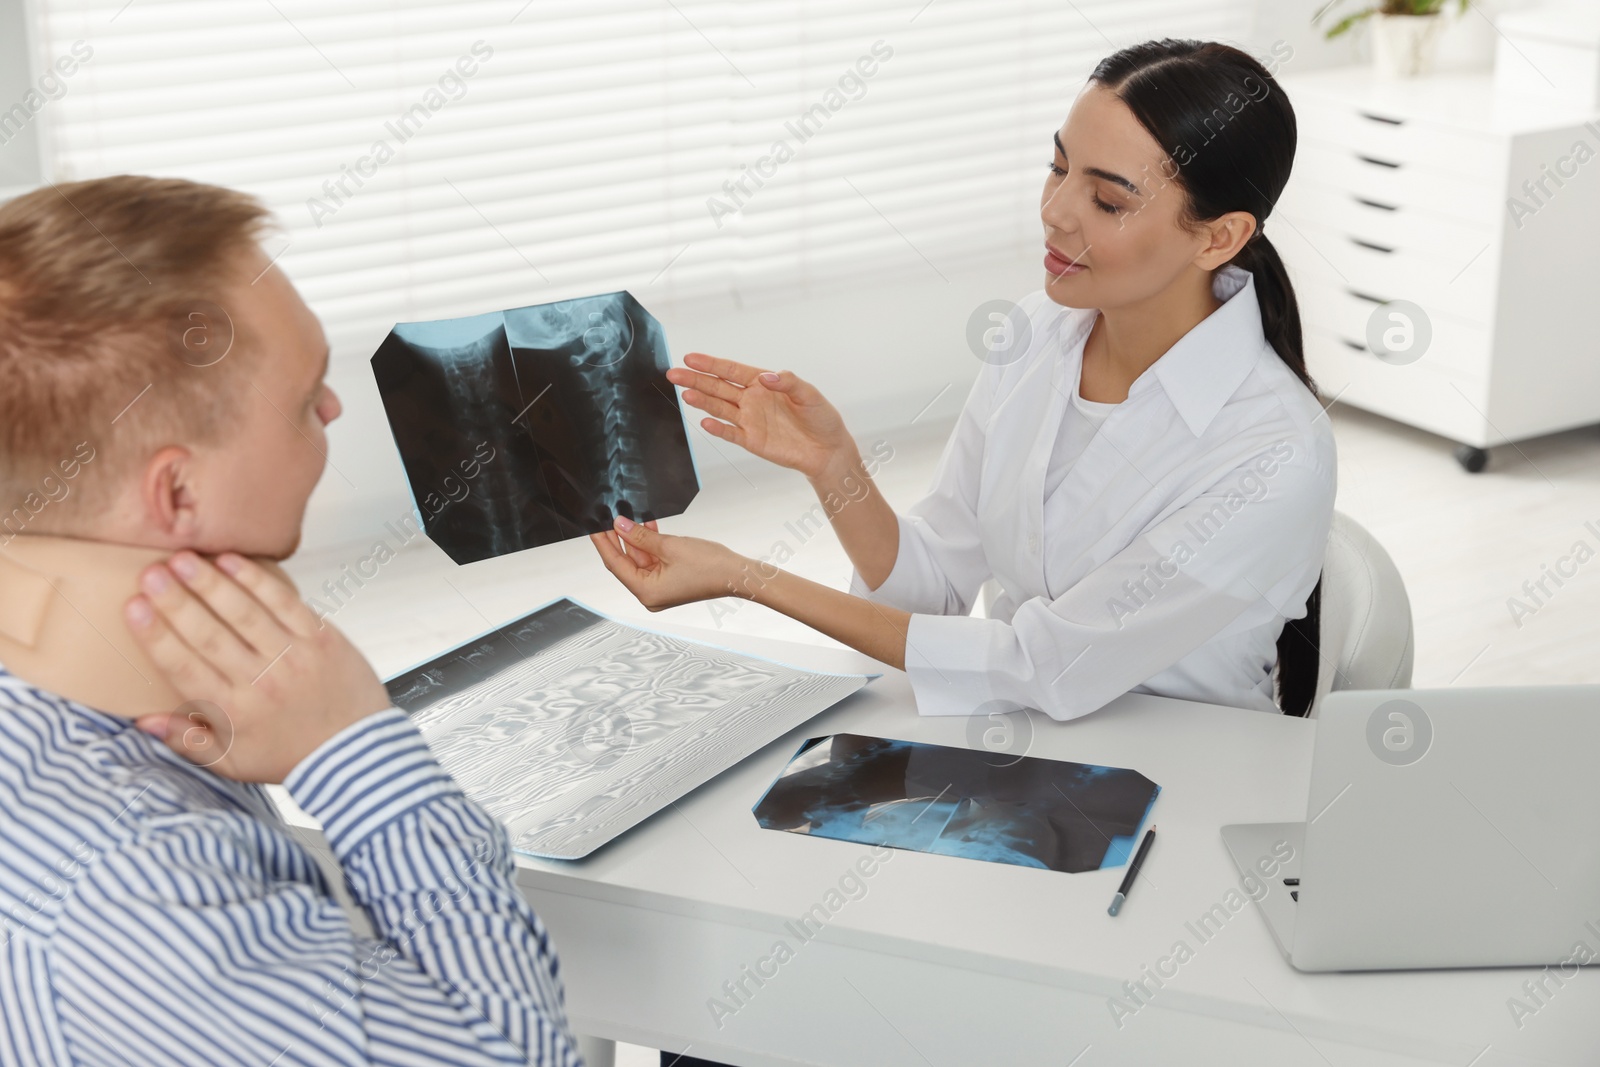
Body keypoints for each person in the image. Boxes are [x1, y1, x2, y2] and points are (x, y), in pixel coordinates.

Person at [593, 36, 1336, 744]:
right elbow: (933, 588)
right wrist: (835, 467)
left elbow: (1041, 665)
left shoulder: (1274, 453)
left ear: (1217, 237)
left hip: (1189, 779)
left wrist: (744, 576)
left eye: (1107, 201)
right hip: (1017, 744)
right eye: (1057, 167)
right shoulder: (1038, 332)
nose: (1055, 210)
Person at [0, 176, 583, 1065]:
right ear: (178, 490)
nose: (333, 407)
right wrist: (353, 749)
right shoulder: (130, 875)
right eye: (303, 394)